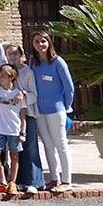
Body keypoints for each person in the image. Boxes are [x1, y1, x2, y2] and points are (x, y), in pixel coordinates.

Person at [30, 30, 75, 193]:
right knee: (48, 145)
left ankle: (66, 180)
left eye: (43, 41)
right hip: (40, 111)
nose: (40, 44)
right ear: (33, 45)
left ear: (49, 42)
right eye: (36, 41)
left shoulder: (58, 62)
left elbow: (69, 87)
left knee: (60, 144)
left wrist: (65, 105)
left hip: (56, 110)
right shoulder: (33, 63)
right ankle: (54, 178)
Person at [6, 43, 44, 194]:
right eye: (10, 54)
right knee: (17, 148)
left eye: (15, 53)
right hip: (13, 115)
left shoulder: (27, 71)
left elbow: (34, 93)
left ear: (20, 54)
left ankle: (34, 180)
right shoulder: (7, 71)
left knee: (30, 147)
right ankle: (20, 180)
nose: (13, 56)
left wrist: (23, 95)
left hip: (28, 113)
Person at [0, 64, 27, 194]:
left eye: (3, 76)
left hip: (14, 130)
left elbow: (23, 115)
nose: (0, 78)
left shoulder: (18, 94)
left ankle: (12, 182)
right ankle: (2, 181)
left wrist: (23, 132)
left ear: (11, 77)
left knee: (14, 156)